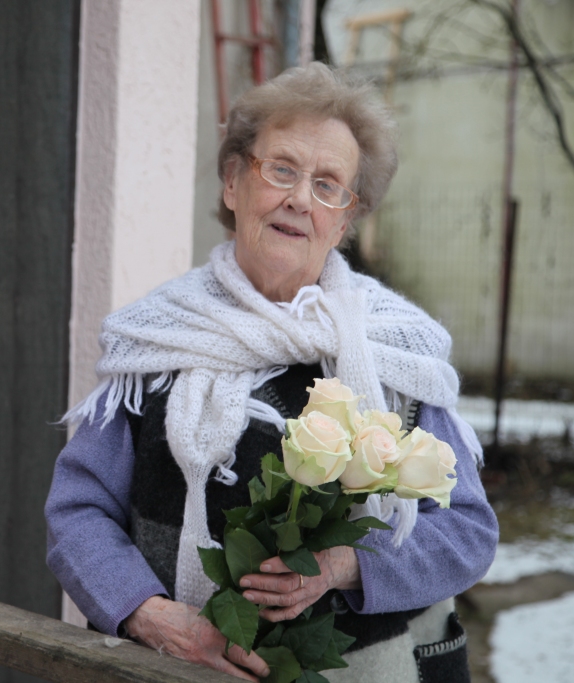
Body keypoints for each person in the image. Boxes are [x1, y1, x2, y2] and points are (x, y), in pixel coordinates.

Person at [45, 63, 498, 683]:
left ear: (343, 221)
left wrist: (346, 564)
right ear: (234, 181)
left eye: (328, 185)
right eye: (281, 169)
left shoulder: (395, 353)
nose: (299, 199)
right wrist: (148, 615)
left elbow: (467, 530)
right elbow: (78, 509)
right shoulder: (156, 340)